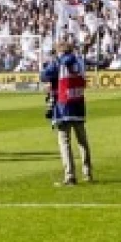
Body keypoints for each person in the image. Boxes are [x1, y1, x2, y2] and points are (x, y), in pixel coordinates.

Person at [41, 39, 93, 187]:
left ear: (60, 51)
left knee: (65, 142)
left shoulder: (59, 62)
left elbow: (44, 75)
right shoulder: (79, 61)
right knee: (82, 141)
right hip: (79, 104)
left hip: (63, 106)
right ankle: (87, 173)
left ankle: (70, 176)